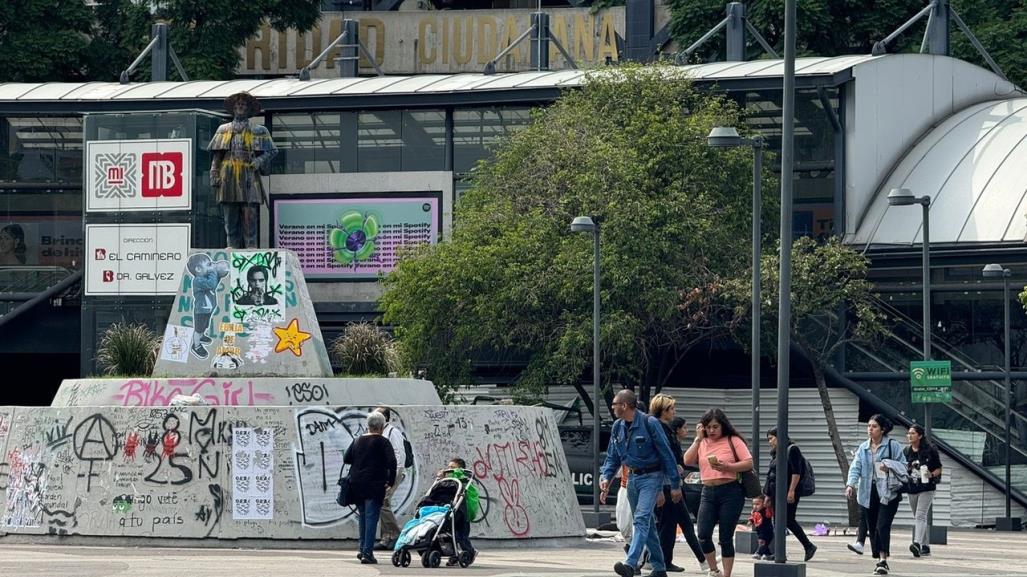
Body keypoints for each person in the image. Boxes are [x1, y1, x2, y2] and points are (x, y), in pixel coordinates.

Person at [599, 389, 683, 577]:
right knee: (648, 524)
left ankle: (631, 563)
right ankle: (659, 567)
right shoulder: (617, 427)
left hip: (652, 477)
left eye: (614, 405)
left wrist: (674, 484)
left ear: (625, 405)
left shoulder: (649, 422)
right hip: (632, 479)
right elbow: (613, 456)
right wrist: (606, 477)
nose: (612, 408)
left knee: (641, 519)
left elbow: (666, 454)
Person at [683, 408, 751, 577]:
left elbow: (748, 463)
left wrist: (728, 467)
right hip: (708, 491)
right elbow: (687, 460)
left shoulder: (733, 440)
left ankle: (727, 574)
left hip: (731, 491)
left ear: (723, 426)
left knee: (725, 537)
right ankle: (714, 570)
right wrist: (698, 439)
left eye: (715, 427)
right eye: (708, 427)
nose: (711, 430)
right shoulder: (702, 442)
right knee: (703, 535)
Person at [209, 92, 277, 249]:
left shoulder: (259, 130)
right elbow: (217, 155)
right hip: (228, 176)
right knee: (230, 217)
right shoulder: (223, 129)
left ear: (249, 109)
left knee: (249, 216)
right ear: (233, 108)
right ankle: (231, 246)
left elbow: (272, 151)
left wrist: (259, 160)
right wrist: (214, 174)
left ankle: (251, 247)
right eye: (238, 105)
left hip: (249, 175)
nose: (240, 107)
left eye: (244, 105)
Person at [649, 395, 705, 573]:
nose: (674, 411)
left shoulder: (666, 430)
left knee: (671, 524)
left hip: (672, 483)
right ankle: (651, 560)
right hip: (666, 484)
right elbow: (663, 457)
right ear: (664, 410)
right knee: (668, 525)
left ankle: (665, 560)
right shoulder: (659, 429)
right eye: (671, 409)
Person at [846, 414, 907, 575]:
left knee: (882, 526)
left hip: (888, 492)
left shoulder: (892, 446)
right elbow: (855, 467)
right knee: (873, 527)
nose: (870, 429)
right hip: (867, 491)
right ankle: (879, 556)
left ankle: (882, 561)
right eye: (868, 426)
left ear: (882, 429)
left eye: (874, 426)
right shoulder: (863, 448)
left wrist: (890, 466)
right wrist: (850, 484)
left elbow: (904, 466)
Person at [343, 411, 397, 565]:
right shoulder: (383, 442)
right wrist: (390, 481)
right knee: (372, 518)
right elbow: (392, 462)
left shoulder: (357, 440)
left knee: (363, 517)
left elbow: (346, 458)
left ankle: (362, 549)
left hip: (357, 483)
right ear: (381, 426)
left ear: (368, 426)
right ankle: (367, 553)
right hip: (375, 484)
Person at [764, 428, 817, 561]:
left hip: (788, 491)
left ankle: (807, 545)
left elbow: (796, 472)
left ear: (779, 437)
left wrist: (791, 490)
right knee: (778, 521)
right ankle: (778, 551)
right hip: (776, 492)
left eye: (771, 438)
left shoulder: (792, 450)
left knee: (787, 520)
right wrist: (767, 495)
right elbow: (771, 475)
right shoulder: (776, 453)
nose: (770, 442)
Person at [671, 417, 710, 573]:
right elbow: (683, 461)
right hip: (673, 489)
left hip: (678, 488)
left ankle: (702, 560)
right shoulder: (672, 443)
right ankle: (648, 558)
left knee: (678, 526)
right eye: (685, 428)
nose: (687, 430)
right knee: (674, 526)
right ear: (678, 429)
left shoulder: (675, 443)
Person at [904, 424, 942, 558]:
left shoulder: (930, 450)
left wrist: (931, 475)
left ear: (920, 435)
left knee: (920, 515)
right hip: (912, 488)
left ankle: (917, 543)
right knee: (918, 517)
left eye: (913, 433)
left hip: (927, 488)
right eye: (908, 433)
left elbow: (939, 468)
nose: (909, 435)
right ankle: (925, 546)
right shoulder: (907, 451)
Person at [434, 457, 479, 566]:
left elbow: (460, 478)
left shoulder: (462, 479)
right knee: (450, 535)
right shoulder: (448, 482)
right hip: (450, 511)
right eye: (448, 467)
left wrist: (457, 473)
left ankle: (470, 552)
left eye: (453, 467)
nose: (449, 469)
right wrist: (440, 478)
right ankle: (454, 556)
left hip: (462, 512)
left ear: (460, 469)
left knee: (461, 535)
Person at [374, 406, 407, 550]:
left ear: (386, 418)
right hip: (381, 474)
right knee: (384, 503)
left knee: (381, 502)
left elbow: (399, 455)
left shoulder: (393, 432)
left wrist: (394, 477)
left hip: (392, 473)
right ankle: (386, 539)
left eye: (378, 416)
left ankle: (396, 535)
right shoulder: (378, 432)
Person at [186, 254, 228, 359]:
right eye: (208, 265)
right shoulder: (198, 280)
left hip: (208, 309)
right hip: (201, 311)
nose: (211, 266)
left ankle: (201, 336)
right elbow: (211, 285)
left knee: (205, 326)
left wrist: (218, 273)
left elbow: (214, 284)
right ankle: (196, 345)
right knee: (198, 329)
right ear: (198, 269)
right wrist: (213, 271)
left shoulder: (206, 278)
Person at [748, 496, 774, 560]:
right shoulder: (754, 511)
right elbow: (753, 517)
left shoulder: (765, 510)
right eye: (754, 504)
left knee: (762, 542)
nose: (755, 506)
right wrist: (750, 521)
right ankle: (768, 555)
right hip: (759, 531)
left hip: (767, 531)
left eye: (757, 504)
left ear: (763, 504)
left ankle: (758, 553)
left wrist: (768, 507)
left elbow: (770, 514)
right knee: (764, 543)